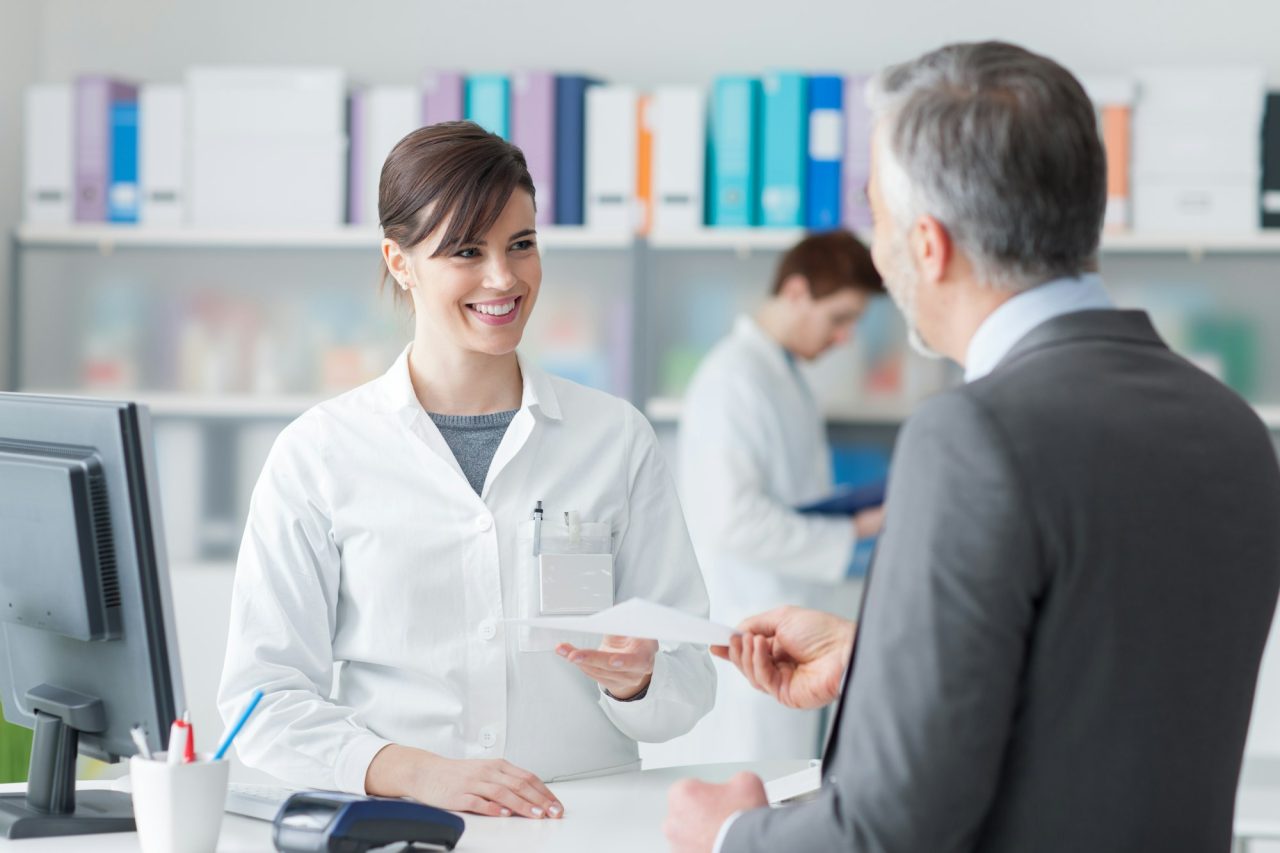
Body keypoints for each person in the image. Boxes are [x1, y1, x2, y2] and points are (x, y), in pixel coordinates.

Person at [663, 41, 1280, 853]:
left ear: (928, 245)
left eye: (878, 218)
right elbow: (1099, 685)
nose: (877, 255)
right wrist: (883, 655)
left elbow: (891, 830)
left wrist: (729, 832)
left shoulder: (972, 435)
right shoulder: (1231, 425)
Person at [217, 121, 715, 821]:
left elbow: (690, 677)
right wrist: (414, 772)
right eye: (465, 251)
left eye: (522, 244)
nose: (503, 278)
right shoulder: (320, 453)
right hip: (399, 825)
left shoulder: (614, 438)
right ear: (399, 261)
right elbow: (262, 699)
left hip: (584, 821)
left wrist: (640, 680)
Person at [648, 232, 886, 767]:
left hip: (783, 624)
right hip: (747, 628)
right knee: (749, 802)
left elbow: (788, 498)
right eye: (840, 318)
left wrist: (849, 516)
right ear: (797, 292)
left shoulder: (783, 377)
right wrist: (855, 531)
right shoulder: (733, 379)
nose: (845, 337)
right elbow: (731, 519)